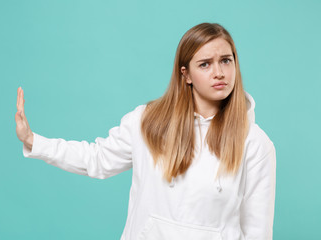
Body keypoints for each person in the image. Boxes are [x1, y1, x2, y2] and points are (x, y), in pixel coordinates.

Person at [15, 23, 276, 240]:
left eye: (226, 61)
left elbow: (257, 231)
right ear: (185, 74)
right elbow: (96, 159)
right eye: (205, 64)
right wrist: (33, 141)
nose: (219, 72)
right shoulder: (147, 122)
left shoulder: (254, 143)